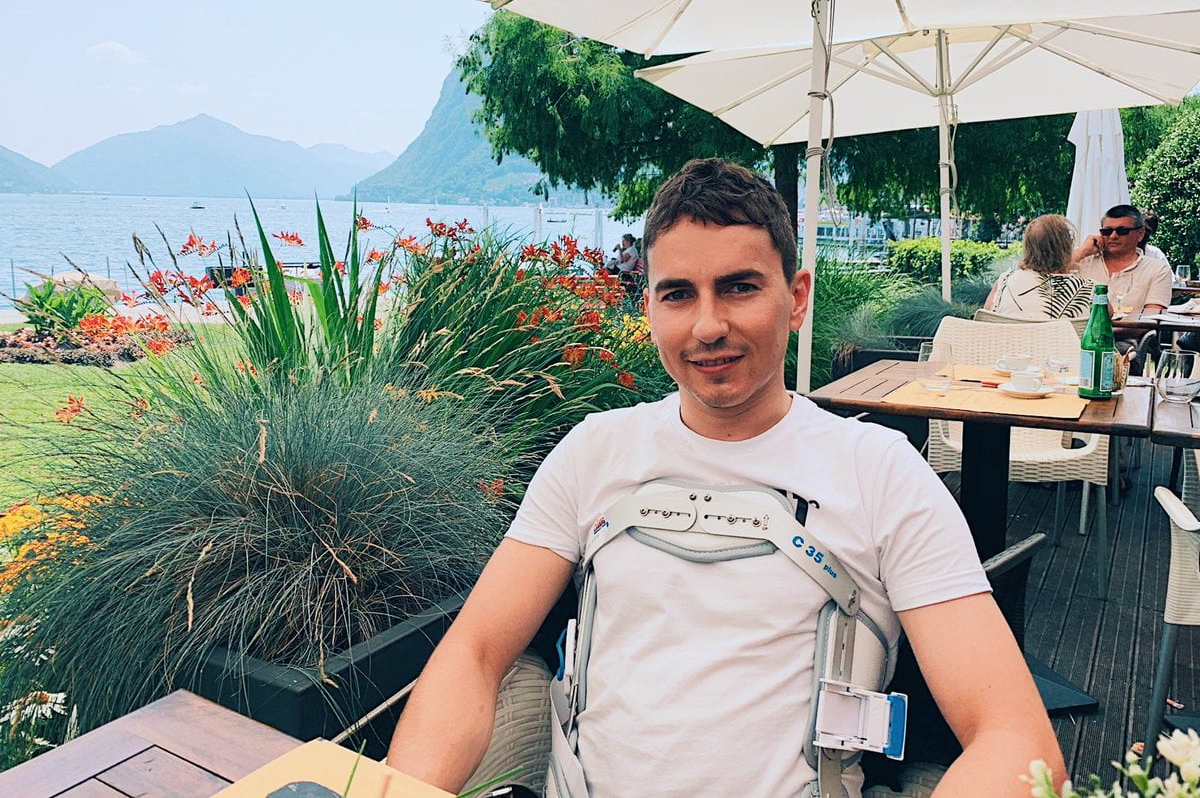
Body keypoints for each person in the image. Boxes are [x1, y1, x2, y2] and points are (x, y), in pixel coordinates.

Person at [386, 158, 1065, 797]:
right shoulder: (595, 451)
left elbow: (1016, 740)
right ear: (649, 308)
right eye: (678, 294)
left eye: (740, 287)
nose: (708, 326)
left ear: (796, 298)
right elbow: (474, 654)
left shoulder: (880, 473)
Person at [1072, 204, 1172, 346]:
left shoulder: (1157, 269)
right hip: (1071, 338)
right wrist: (1082, 252)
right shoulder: (1082, 260)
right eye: (1107, 231)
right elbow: (1047, 276)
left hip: (1122, 342)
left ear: (1140, 234)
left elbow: (1151, 318)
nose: (1113, 236)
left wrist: (1101, 335)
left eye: (1122, 231)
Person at [985, 214, 1094, 320]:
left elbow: (985, 321)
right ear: (1067, 247)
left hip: (1012, 333)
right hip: (1062, 333)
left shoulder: (1004, 283)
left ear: (1028, 247)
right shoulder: (1090, 289)